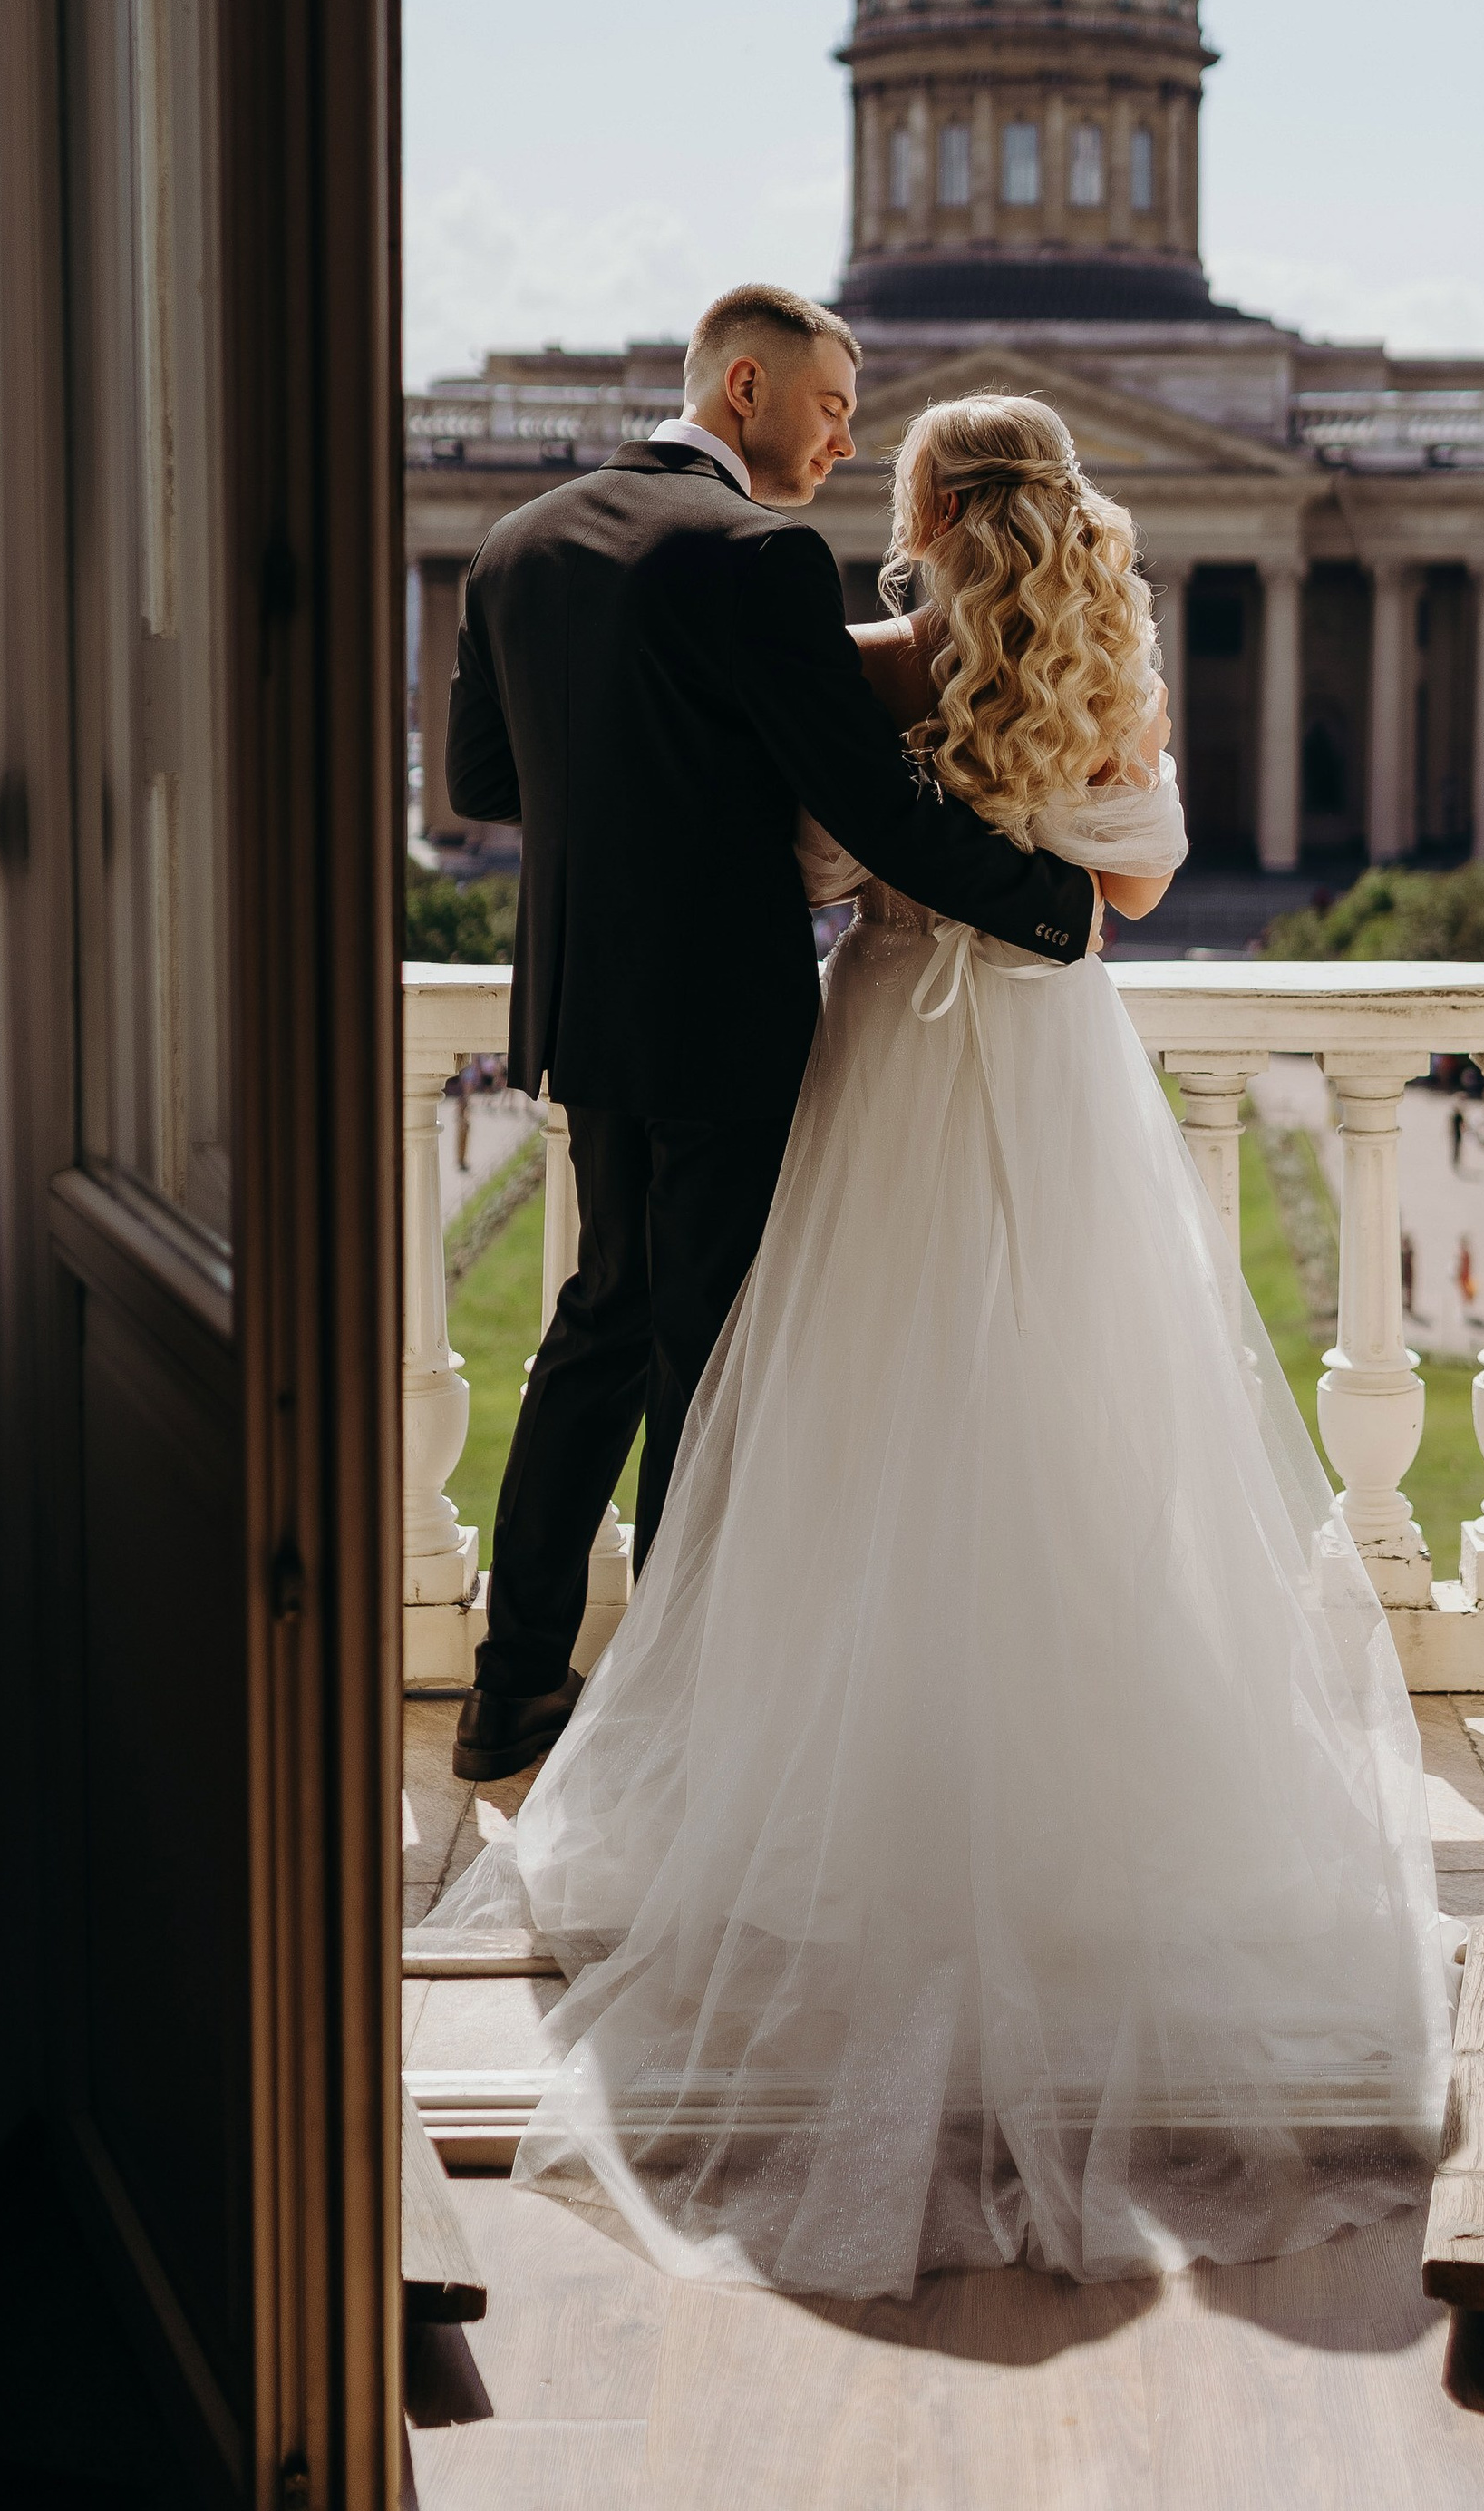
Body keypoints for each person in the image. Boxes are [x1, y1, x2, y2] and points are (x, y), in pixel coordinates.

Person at [417, 393, 1448, 2297]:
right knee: (1076, 1442)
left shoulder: (866, 656)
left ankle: (826, 1805)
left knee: (842, 1436)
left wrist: (896, 872)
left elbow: (817, 859)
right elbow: (1133, 877)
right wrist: (1049, 885)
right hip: (1049, 1070)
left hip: (883, 1048)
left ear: (916, 501)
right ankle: (1083, 1819)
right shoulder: (1104, 647)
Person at [442, 293, 1101, 1786]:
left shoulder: (518, 542)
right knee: (709, 1356)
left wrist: (639, 771)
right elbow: (870, 803)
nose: (846, 441)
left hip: (578, 1002)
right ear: (745, 385)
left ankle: (512, 1687)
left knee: (595, 1327)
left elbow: (490, 776)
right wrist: (1051, 907)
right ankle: (667, 1715)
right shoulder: (761, 558)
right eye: (830, 409)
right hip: (723, 1005)